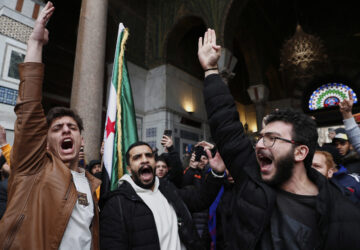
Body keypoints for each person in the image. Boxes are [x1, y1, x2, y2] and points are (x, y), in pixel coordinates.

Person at [198, 28, 360, 249]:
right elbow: (226, 126)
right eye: (261, 137)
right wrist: (211, 70)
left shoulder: (344, 214)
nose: (259, 144)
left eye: (272, 138)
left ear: (300, 152)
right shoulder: (252, 180)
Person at [0, 3, 101, 249]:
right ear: (45, 142)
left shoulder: (90, 183)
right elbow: (29, 108)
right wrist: (34, 45)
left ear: (81, 140)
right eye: (57, 129)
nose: (66, 130)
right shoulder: (32, 169)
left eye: (72, 128)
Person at [99, 141, 226, 249]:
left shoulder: (168, 189)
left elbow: (200, 199)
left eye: (149, 155)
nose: (144, 160)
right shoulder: (117, 203)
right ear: (129, 168)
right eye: (137, 157)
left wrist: (217, 172)